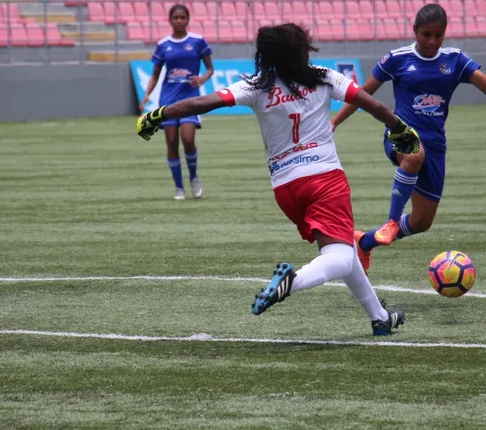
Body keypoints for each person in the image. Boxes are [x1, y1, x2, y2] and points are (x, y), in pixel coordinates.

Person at [136, 23, 421, 335]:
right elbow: (374, 105)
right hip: (325, 180)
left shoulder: (257, 85)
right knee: (339, 255)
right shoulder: (324, 76)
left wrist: (159, 114)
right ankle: (291, 282)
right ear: (303, 50)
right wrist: (399, 128)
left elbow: (203, 102)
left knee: (345, 250)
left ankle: (380, 318)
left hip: (286, 188)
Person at [331, 4, 486, 270]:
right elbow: (362, 94)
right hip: (399, 131)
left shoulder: (455, 60)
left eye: (438, 35)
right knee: (413, 153)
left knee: (422, 222)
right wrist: (334, 122)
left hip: (435, 144)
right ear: (415, 31)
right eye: (426, 34)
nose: (432, 41)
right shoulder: (397, 58)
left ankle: (364, 242)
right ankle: (392, 221)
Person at [139, 4, 214, 200]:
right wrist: (147, 94)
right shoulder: (163, 44)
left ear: (188, 19)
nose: (179, 21)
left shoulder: (198, 41)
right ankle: (179, 188)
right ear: (170, 20)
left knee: (188, 139)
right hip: (168, 98)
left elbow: (210, 69)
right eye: (176, 18)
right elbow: (155, 75)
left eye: (183, 17)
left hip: (190, 97)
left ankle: (194, 177)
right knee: (171, 141)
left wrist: (202, 79)